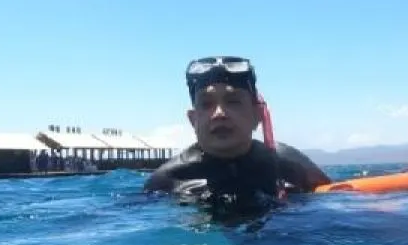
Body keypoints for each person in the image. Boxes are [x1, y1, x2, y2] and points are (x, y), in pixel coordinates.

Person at [142, 56, 331, 204]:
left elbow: (333, 196)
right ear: (193, 120)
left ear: (257, 115)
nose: (219, 113)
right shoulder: (166, 181)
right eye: (206, 104)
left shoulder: (290, 164)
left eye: (233, 102)